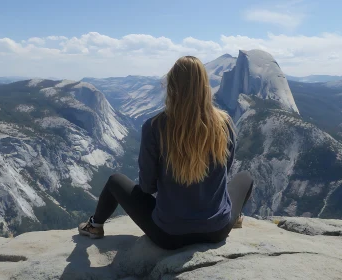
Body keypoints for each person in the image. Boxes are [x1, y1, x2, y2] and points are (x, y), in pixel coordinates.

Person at [78, 56, 254, 250]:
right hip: (217, 231)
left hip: (168, 236)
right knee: (246, 178)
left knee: (115, 180)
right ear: (205, 86)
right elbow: (223, 173)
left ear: (172, 86)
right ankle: (235, 218)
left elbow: (147, 187)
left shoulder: (155, 127)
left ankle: (94, 226)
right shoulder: (225, 124)